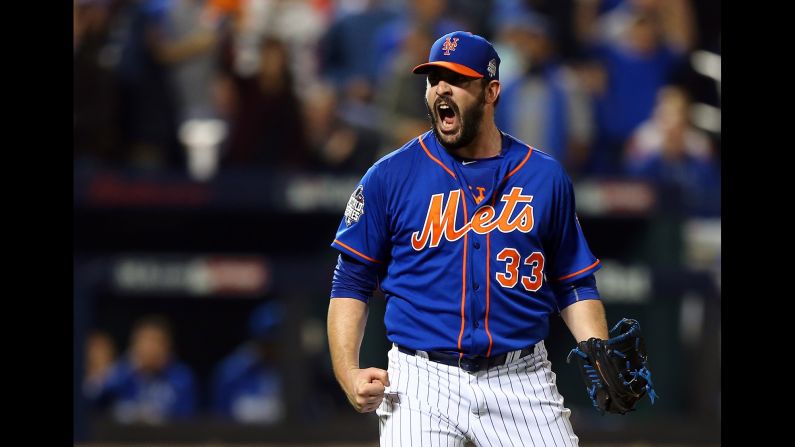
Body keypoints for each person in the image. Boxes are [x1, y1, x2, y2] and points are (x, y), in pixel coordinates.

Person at [327, 31, 609, 446]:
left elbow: (573, 282)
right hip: (421, 381)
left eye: (457, 79)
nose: (442, 88)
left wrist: (599, 353)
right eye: (434, 78)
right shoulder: (389, 176)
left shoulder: (544, 176)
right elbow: (350, 281)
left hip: (522, 378)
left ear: (490, 91)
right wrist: (347, 371)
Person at [85, 315, 197, 424]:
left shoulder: (180, 376)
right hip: (121, 439)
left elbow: (187, 419)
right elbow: (91, 398)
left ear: (167, 346)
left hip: (166, 440)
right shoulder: (120, 371)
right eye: (144, 341)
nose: (149, 348)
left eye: (156, 341)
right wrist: (129, 368)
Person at [211, 301, 286, 424]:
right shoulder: (232, 372)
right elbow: (219, 421)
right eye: (268, 341)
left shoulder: (297, 373)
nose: (274, 347)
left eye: (279, 341)